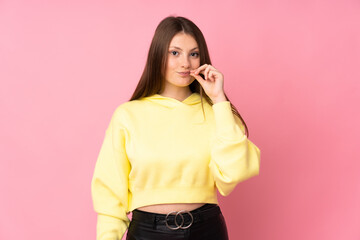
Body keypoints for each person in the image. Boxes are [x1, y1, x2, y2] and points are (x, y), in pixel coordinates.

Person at [91, 15, 261, 240]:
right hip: (147, 233)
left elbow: (234, 173)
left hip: (206, 230)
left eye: (194, 53)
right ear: (158, 55)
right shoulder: (128, 115)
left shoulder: (217, 112)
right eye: (175, 53)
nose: (185, 63)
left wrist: (219, 99)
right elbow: (110, 192)